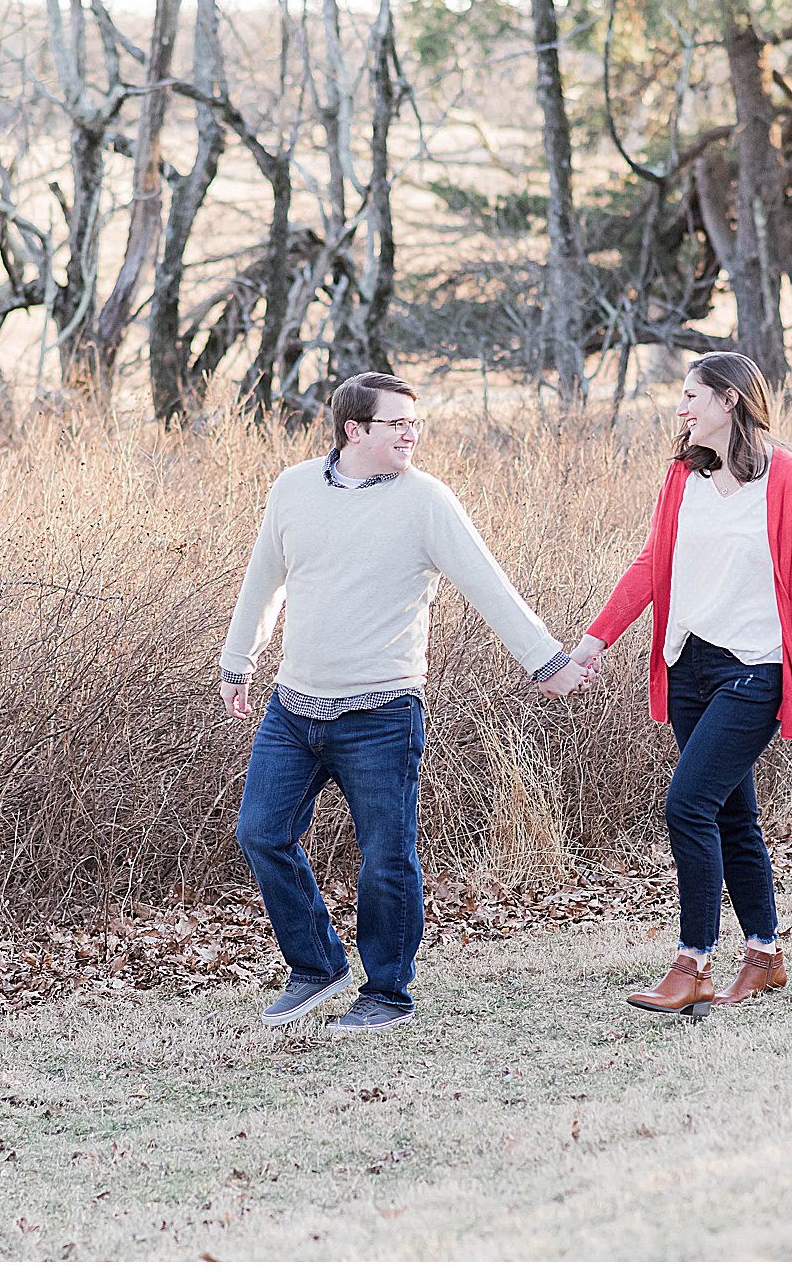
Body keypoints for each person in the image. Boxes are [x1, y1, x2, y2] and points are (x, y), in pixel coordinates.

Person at [219, 371, 593, 1034]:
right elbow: (263, 584)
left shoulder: (426, 501)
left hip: (382, 714)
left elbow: (488, 584)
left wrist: (548, 661)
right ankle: (316, 967)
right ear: (354, 429)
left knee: (386, 856)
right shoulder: (293, 489)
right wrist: (236, 661)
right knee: (260, 832)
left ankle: (386, 991)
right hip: (294, 707)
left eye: (413, 423)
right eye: (396, 423)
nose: (410, 433)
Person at [569, 352, 792, 1018]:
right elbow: (651, 565)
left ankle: (693, 962)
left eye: (692, 397)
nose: (681, 408)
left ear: (731, 402)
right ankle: (765, 953)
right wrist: (594, 639)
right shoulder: (682, 477)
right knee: (731, 816)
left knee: (687, 805)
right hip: (687, 664)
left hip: (755, 669)